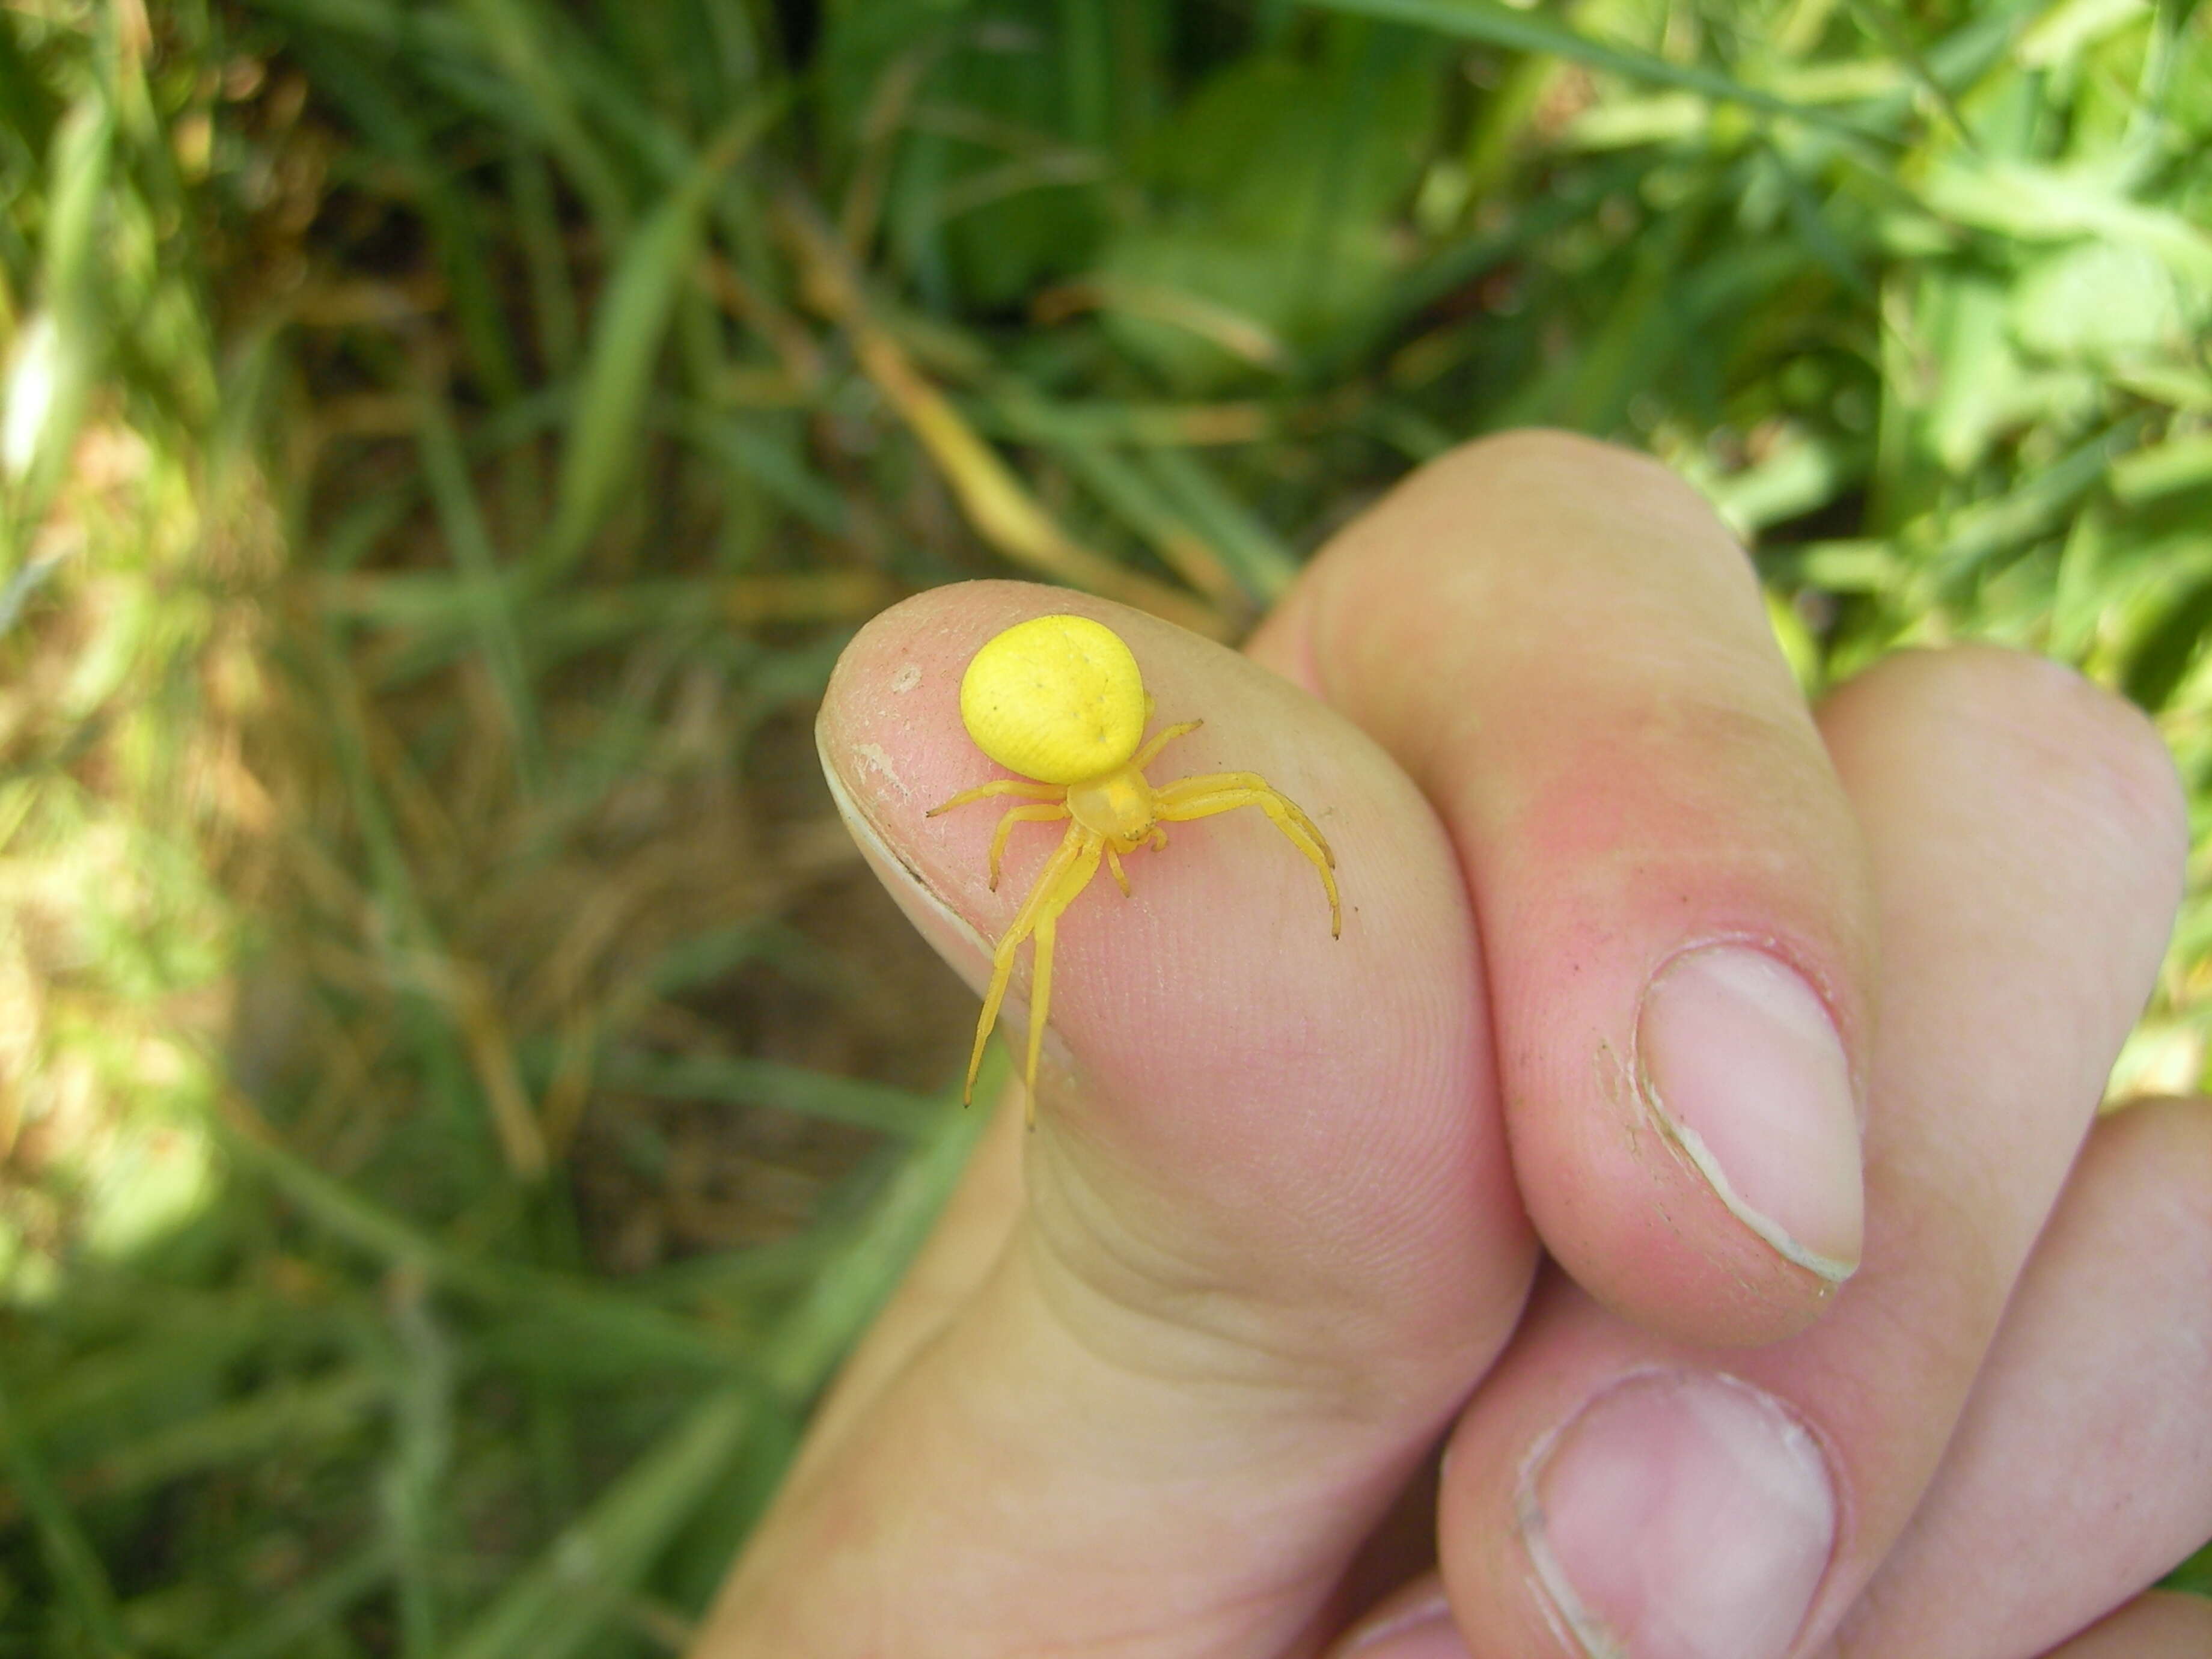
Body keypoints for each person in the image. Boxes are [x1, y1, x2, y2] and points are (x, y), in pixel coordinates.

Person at [695, 432, 2212, 1658]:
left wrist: (1325, 870)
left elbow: (1254, 808)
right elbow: (1050, 895)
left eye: (1138, 820)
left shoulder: (1147, 799)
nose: (1135, 839)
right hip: (1053, 715)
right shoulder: (1094, 816)